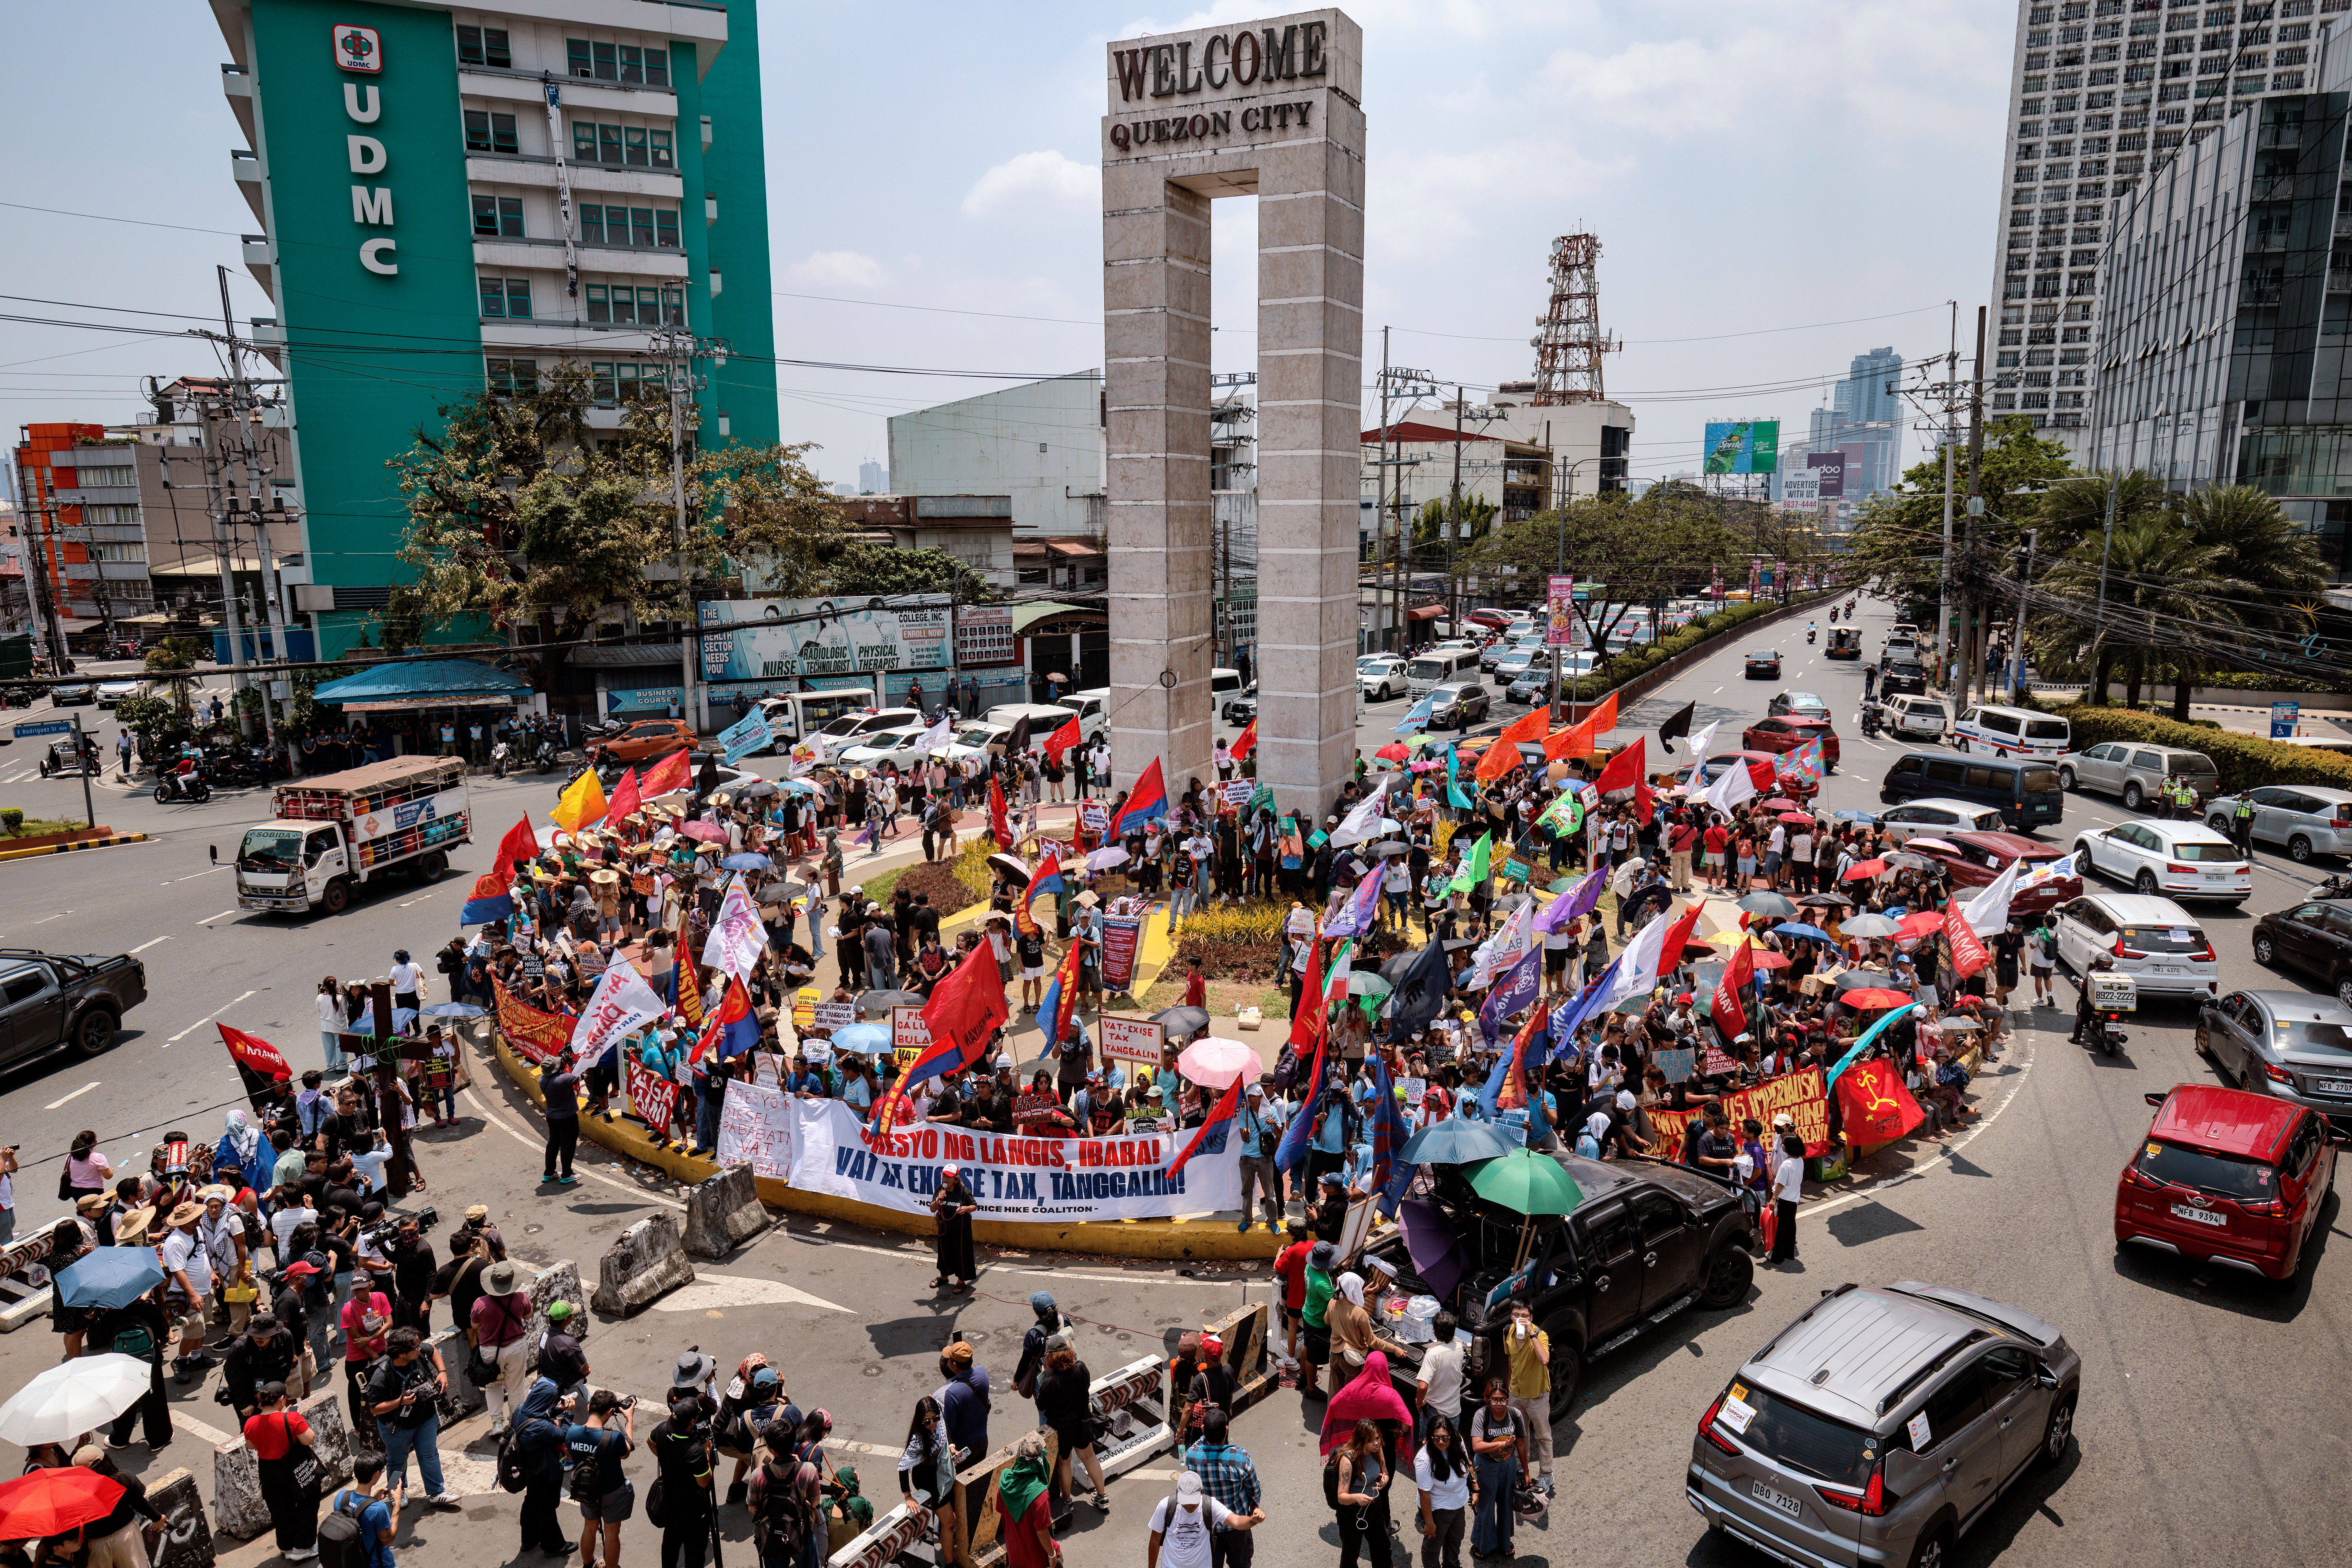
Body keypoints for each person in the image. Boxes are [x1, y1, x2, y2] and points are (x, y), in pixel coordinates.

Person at [366, 1327, 461, 1508]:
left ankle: (437, 1492)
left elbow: (432, 1350)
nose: (420, 1349)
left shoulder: (417, 1353)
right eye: (416, 1348)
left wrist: (442, 1372)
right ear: (402, 1354)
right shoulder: (382, 1375)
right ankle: (396, 1493)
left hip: (426, 1418)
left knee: (429, 1454)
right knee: (397, 1462)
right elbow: (375, 1409)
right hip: (397, 1427)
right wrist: (400, 1402)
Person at [243, 1381, 321, 1561]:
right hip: (293, 1468)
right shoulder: (292, 1418)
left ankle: (287, 1547)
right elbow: (309, 1440)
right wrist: (291, 1419)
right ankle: (303, 1547)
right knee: (307, 1504)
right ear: (283, 1400)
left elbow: (251, 1446)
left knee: (280, 1510)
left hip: (268, 1472)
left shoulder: (250, 1423)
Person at [1035, 1336, 1109, 1513]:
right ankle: (1102, 1496)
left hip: (1061, 1429)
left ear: (1050, 1358)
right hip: (1083, 1422)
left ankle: (1067, 1501)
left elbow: (1042, 1406)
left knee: (1064, 1462)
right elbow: (1087, 1386)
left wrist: (1046, 1376)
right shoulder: (1081, 1368)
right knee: (1090, 1457)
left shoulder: (1049, 1383)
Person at [567, 1388, 638, 1568]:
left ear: (590, 1407)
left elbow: (569, 1456)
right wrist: (629, 1420)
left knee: (589, 1528)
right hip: (613, 1491)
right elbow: (626, 1453)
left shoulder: (572, 1433)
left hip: (587, 1491)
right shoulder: (613, 1438)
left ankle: (588, 1564)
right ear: (610, 1412)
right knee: (612, 1534)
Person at [650, 1390, 717, 1568]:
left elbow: (651, 1442)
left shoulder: (663, 1429)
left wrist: (666, 1457)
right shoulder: (695, 1451)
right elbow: (704, 1481)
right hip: (693, 1511)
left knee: (670, 1548)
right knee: (694, 1555)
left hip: (670, 1505)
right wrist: (708, 1452)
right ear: (693, 1421)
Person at [470, 1259, 535, 1434]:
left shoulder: (480, 1304)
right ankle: (516, 1421)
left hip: (490, 1351)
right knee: (515, 1386)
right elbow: (528, 1316)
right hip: (516, 1348)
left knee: (493, 1386)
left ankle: (497, 1422)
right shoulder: (521, 1298)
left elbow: (475, 1326)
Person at [513, 1377, 575, 1559]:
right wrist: (569, 1414)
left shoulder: (520, 1410)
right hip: (544, 1471)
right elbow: (563, 1435)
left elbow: (541, 1413)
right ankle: (554, 1545)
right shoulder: (540, 1427)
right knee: (546, 1508)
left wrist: (558, 1410)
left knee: (532, 1502)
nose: (553, 1404)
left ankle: (529, 1539)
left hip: (529, 1469)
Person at [1147, 1470, 1259, 1568]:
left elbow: (1236, 1521)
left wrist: (1253, 1520)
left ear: (1201, 1492)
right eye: (1185, 1501)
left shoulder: (1210, 1505)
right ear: (1178, 1493)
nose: (1189, 1506)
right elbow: (1155, 1539)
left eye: (1193, 1501)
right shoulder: (1166, 1506)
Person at [1466, 1380, 1523, 1560]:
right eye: (1495, 1400)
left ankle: (1505, 1542)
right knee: (1487, 1507)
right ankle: (1484, 1544)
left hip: (1508, 1466)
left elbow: (1521, 1445)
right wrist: (1501, 1444)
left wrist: (1527, 1473)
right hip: (1487, 1467)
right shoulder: (1481, 1416)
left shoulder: (1515, 1414)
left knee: (1507, 1505)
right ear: (1487, 1399)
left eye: (1503, 1400)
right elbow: (1476, 1446)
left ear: (1508, 1399)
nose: (1499, 1404)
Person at [896, 1396, 958, 1557]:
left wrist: (951, 1447)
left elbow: (944, 1428)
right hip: (930, 1483)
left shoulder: (939, 1419)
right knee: (950, 1522)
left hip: (943, 1475)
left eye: (935, 1418)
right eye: (927, 1422)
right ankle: (949, 1564)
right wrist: (908, 1496)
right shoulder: (918, 1440)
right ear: (920, 1422)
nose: (933, 1424)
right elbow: (903, 1467)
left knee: (947, 1521)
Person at [1501, 1301, 1552, 1497]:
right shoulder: (1508, 1332)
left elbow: (1544, 1360)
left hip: (1537, 1395)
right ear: (1511, 1317)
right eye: (1515, 1315)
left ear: (1531, 1317)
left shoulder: (1540, 1335)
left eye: (1524, 1315)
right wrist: (1508, 1387)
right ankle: (1522, 1466)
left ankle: (1547, 1474)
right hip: (1516, 1394)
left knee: (1543, 1436)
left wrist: (1532, 1333)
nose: (1519, 1319)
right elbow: (1511, 1360)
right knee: (1520, 1435)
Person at [1332, 1416, 1393, 1568]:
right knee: (1350, 1556)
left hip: (1374, 1507)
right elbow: (1341, 1497)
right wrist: (1357, 1498)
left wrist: (1384, 1482)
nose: (1377, 1443)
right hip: (1353, 1512)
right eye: (1372, 1440)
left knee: (1383, 1548)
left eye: (1378, 1438)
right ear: (1362, 1441)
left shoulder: (1377, 1451)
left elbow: (1385, 1473)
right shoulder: (1348, 1460)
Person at [993, 1432, 1056, 1568]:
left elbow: (1000, 1509)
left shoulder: (1005, 1481)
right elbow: (1042, 1531)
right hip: (1039, 1559)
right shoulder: (1041, 1494)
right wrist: (1052, 1555)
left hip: (1015, 1556)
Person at [323, 1454, 398, 1568]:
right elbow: (388, 1541)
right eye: (382, 1470)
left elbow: (352, 1516)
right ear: (376, 1474)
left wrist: (373, 1499)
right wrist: (397, 1505)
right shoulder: (379, 1510)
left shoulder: (341, 1497)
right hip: (378, 1565)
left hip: (352, 1562)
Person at [1414, 1415, 1469, 1568]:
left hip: (1458, 1506)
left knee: (1455, 1541)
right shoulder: (1424, 1460)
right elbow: (1424, 1494)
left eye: (1445, 1438)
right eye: (1436, 1438)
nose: (1441, 1442)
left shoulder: (1458, 1442)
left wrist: (1475, 1489)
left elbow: (1467, 1463)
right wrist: (1430, 1523)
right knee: (1432, 1550)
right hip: (1438, 1511)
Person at [1232, 1083, 1284, 1234]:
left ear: (1261, 1096)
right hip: (1247, 1158)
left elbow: (1279, 1134)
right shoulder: (1245, 1113)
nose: (1252, 1099)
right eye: (1249, 1097)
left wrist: (1274, 1123)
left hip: (1264, 1159)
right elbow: (1244, 1139)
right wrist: (1245, 1133)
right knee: (1246, 1192)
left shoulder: (1272, 1111)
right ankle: (1247, 1219)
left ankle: (1272, 1221)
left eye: (1254, 1096)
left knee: (1270, 1193)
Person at [1414, 1313, 1466, 1444]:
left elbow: (1423, 1386)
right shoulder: (1459, 1347)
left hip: (1434, 1412)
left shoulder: (1433, 1354)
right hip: (1454, 1410)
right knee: (1451, 1448)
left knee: (1429, 1448)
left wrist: (1420, 1403)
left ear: (1435, 1332)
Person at [929, 1163, 978, 1293]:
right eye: (944, 1176)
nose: (945, 1179)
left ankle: (961, 1280)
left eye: (949, 1177)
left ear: (956, 1179)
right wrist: (937, 1201)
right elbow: (932, 1209)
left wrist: (966, 1209)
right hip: (944, 1228)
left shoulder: (963, 1191)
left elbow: (974, 1206)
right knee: (944, 1253)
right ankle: (944, 1277)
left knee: (961, 1254)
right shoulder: (940, 1190)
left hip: (961, 1229)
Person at [540, 1051, 583, 1185]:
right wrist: (570, 1063)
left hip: (552, 1117)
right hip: (567, 1117)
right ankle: (567, 1174)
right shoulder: (563, 1079)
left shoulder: (543, 1079)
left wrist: (562, 1064)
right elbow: (581, 1076)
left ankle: (549, 1173)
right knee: (568, 1145)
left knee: (553, 1143)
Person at [1768, 1130, 1804, 1267]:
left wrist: (1773, 1198)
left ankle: (1777, 1257)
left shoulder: (1786, 1164)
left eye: (1784, 1144)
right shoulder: (1799, 1161)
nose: (1782, 1145)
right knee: (1790, 1227)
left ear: (1789, 1147)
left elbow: (1781, 1184)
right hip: (1794, 1199)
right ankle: (1790, 1253)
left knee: (1780, 1230)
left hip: (1784, 1200)